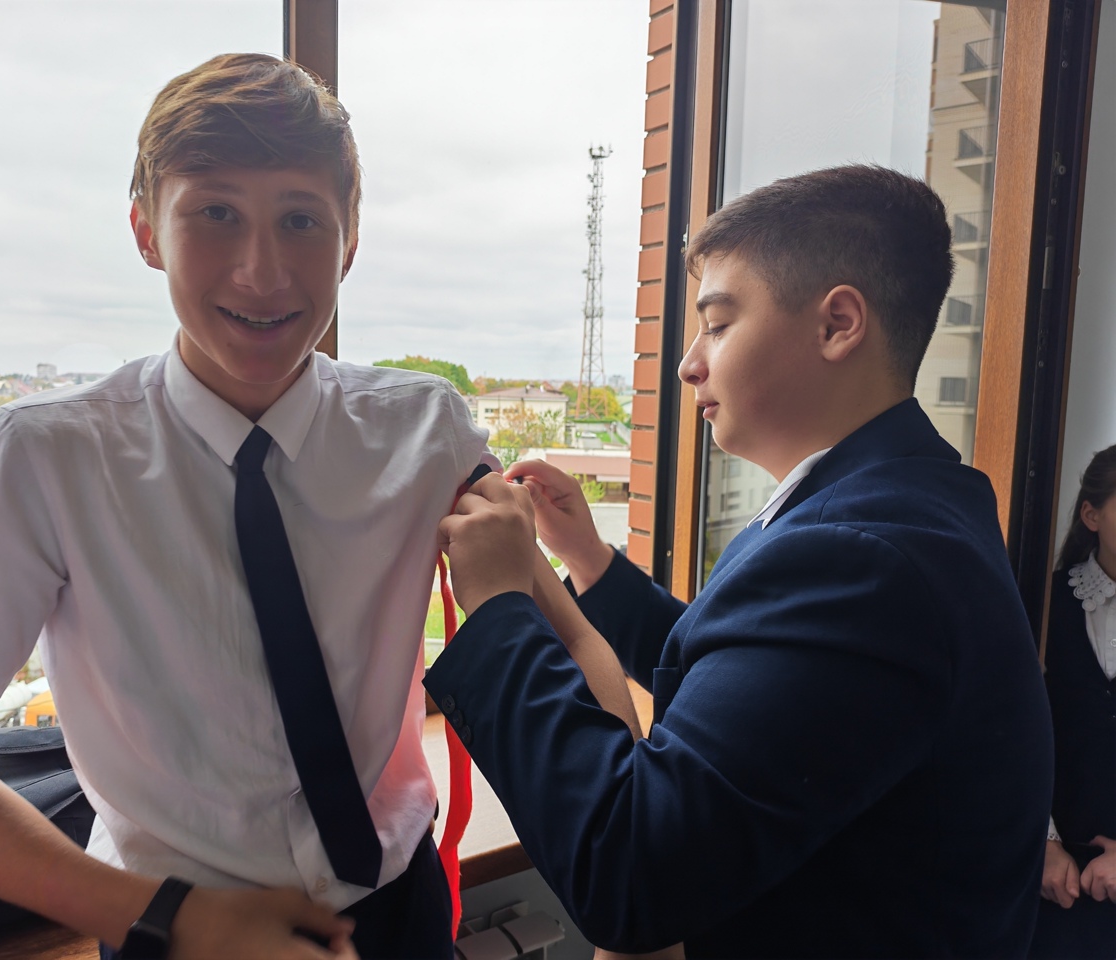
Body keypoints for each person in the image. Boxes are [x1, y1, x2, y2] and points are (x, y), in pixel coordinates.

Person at [0, 54, 496, 960]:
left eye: (300, 220)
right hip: (171, 925)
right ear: (146, 231)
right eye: (215, 213)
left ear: (350, 241)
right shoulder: (46, 457)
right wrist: (168, 918)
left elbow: (529, 630)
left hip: (401, 910)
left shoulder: (426, 429)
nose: (262, 271)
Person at [426, 165, 1054, 957]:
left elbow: (631, 872)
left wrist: (495, 609)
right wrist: (587, 560)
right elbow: (749, 681)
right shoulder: (900, 499)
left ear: (839, 325)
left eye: (718, 324)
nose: (689, 364)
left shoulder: (865, 557)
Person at [1031, 444, 1116, 959]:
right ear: (1091, 515)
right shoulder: (1039, 605)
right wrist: (1042, 843)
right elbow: (1008, 737)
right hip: (1055, 880)